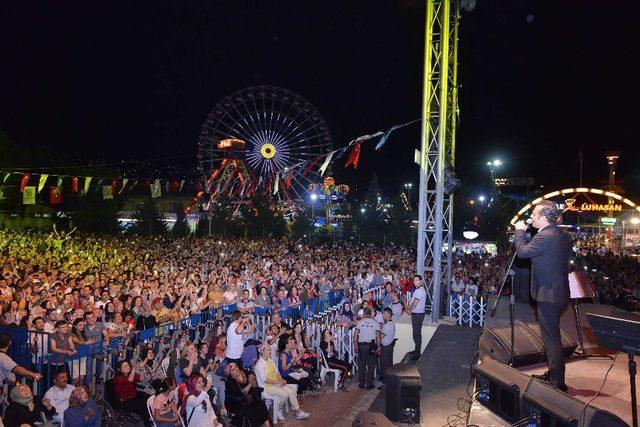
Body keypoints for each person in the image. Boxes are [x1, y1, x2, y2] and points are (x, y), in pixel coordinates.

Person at [513, 200, 572, 392]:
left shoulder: (545, 236)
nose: (531, 217)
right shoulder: (559, 235)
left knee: (551, 339)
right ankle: (554, 373)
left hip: (549, 295)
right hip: (558, 292)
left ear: (545, 217)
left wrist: (520, 231)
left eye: (535, 215)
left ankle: (557, 383)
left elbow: (522, 252)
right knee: (551, 336)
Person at [254, 344, 310, 421]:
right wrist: (277, 382)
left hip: (276, 382)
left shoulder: (270, 360)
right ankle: (278, 410)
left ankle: (298, 412)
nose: (270, 351)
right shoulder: (259, 364)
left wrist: (281, 380)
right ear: (262, 352)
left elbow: (277, 372)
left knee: (291, 391)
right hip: (267, 386)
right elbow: (264, 379)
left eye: (270, 349)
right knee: (285, 394)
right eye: (268, 350)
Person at [224, 362, 271, 427]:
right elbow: (241, 393)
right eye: (233, 370)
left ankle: (268, 425)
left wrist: (251, 377)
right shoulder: (230, 382)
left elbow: (251, 374)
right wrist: (250, 384)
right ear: (230, 373)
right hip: (240, 402)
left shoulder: (243, 372)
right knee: (250, 411)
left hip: (251, 398)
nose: (236, 369)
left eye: (236, 367)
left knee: (261, 404)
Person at [353, 307, 380, 390]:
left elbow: (356, 335)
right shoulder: (375, 323)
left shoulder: (360, 322)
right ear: (371, 313)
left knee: (361, 365)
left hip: (361, 346)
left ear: (364, 314)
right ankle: (369, 384)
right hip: (371, 346)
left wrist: (355, 345)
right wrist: (378, 347)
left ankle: (361, 383)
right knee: (371, 365)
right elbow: (378, 336)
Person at [405, 274, 426, 359]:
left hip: (418, 314)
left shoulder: (419, 290)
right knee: (416, 333)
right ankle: (416, 350)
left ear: (420, 281)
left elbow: (415, 303)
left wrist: (409, 309)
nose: (414, 282)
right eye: (414, 280)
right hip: (417, 314)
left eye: (416, 280)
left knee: (416, 334)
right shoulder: (418, 290)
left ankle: (417, 353)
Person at [377, 307, 396, 387]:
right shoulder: (389, 324)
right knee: (386, 364)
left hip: (386, 348)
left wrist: (377, 332)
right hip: (387, 347)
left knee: (385, 365)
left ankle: (385, 384)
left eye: (384, 314)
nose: (383, 315)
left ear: (388, 315)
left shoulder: (388, 325)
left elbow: (381, 336)